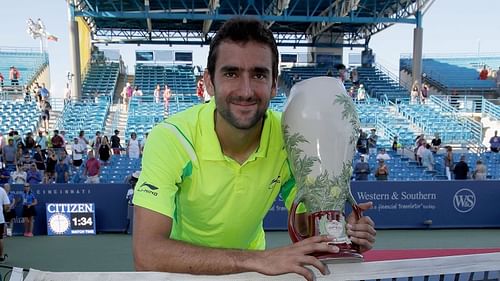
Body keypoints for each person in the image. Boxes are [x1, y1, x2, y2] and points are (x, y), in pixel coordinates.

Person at [132, 18, 375, 281]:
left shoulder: (291, 137)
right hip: (183, 272)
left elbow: (309, 226)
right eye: (231, 73)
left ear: (273, 85)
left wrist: (341, 232)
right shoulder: (171, 139)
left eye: (258, 74)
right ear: (209, 83)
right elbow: (147, 253)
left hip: (250, 275)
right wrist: (257, 260)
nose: (246, 91)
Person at [0, 184, 9, 261]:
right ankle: (1, 256)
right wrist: (5, 210)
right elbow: (7, 206)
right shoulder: (2, 190)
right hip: (0, 219)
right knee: (0, 238)